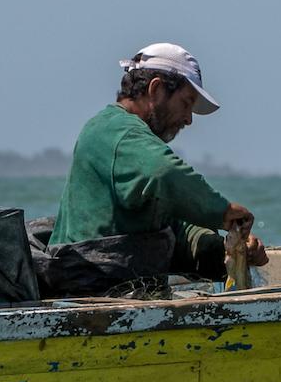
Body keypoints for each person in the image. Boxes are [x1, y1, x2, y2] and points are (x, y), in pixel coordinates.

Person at [43, 43, 267, 295]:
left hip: (127, 296)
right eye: (186, 103)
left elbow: (174, 229)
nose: (189, 119)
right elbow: (164, 173)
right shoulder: (113, 131)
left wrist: (229, 251)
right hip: (88, 297)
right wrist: (222, 212)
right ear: (156, 89)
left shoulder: (134, 146)